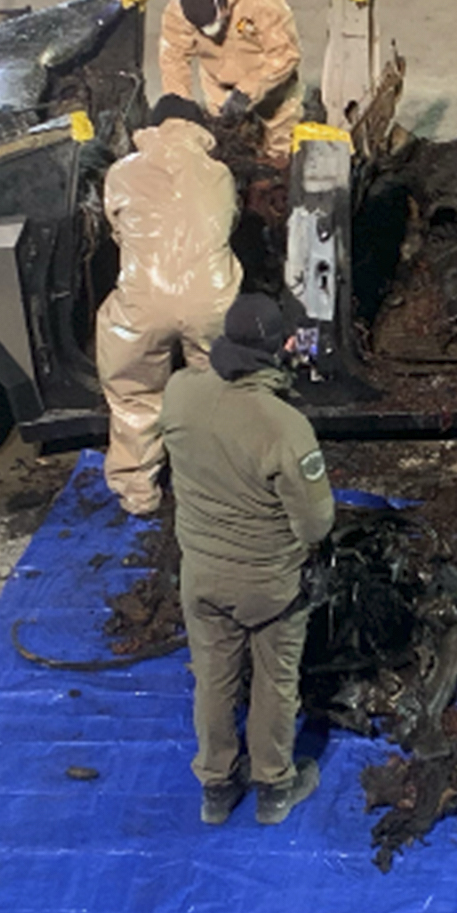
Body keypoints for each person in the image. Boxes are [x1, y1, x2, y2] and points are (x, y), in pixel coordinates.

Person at [160, 293, 337, 827]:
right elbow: (315, 524)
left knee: (213, 677)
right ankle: (274, 785)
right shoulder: (283, 427)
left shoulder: (180, 393)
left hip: (202, 576)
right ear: (283, 347)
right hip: (269, 585)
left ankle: (216, 787)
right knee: (275, 680)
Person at [90, 100, 242, 516]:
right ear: (197, 128)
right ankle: (218, 487)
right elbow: (227, 224)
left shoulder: (121, 172)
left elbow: (118, 233)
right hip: (210, 301)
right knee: (216, 392)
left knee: (134, 394)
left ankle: (139, 493)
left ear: (151, 127)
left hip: (144, 301)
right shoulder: (219, 173)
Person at [160, 0, 302, 161]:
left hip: (271, 82)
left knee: (281, 140)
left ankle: (277, 168)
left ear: (225, 4)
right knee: (224, 145)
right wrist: (181, 110)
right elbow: (173, 59)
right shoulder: (179, 12)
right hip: (218, 82)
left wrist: (248, 90)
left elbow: (285, 54)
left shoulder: (262, 2)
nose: (211, 33)